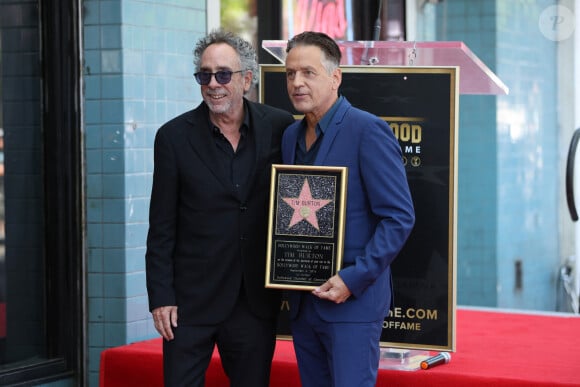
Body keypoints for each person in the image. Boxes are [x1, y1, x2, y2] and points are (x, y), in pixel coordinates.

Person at [145, 29, 294, 387]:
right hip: (189, 304)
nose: (213, 83)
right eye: (204, 75)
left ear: (246, 79)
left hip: (253, 301)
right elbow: (161, 225)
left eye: (223, 74)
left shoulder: (278, 126)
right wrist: (161, 297)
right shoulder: (173, 137)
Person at [282, 31, 416, 387]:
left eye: (308, 73)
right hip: (303, 304)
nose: (297, 83)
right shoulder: (290, 137)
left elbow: (399, 217)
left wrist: (351, 280)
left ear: (335, 77)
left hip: (351, 306)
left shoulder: (367, 130)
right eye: (290, 73)